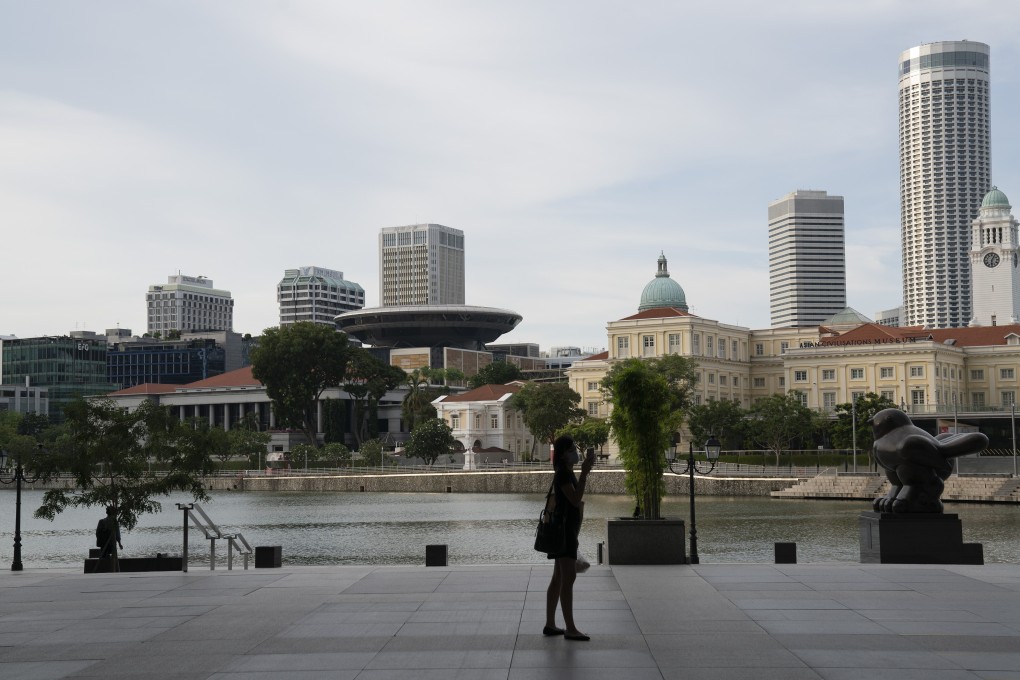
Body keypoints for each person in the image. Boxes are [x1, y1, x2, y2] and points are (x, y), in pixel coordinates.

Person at [544, 435, 595, 641]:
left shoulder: (566, 472)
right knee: (568, 578)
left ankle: (550, 624)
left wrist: (582, 473)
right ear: (563, 454)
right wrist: (584, 474)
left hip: (566, 530)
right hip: (564, 532)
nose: (575, 451)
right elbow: (575, 500)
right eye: (572, 448)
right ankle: (570, 628)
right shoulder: (564, 475)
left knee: (558, 578)